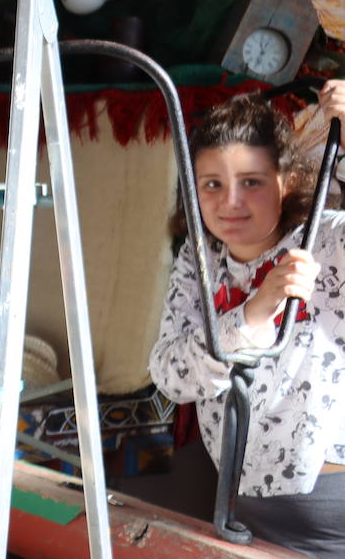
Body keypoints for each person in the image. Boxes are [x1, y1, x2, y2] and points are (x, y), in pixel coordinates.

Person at [149, 87, 345, 558]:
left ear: (289, 181)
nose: (230, 202)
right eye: (212, 184)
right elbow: (172, 375)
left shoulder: (326, 240)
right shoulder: (199, 262)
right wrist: (256, 309)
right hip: (247, 510)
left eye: (252, 182)